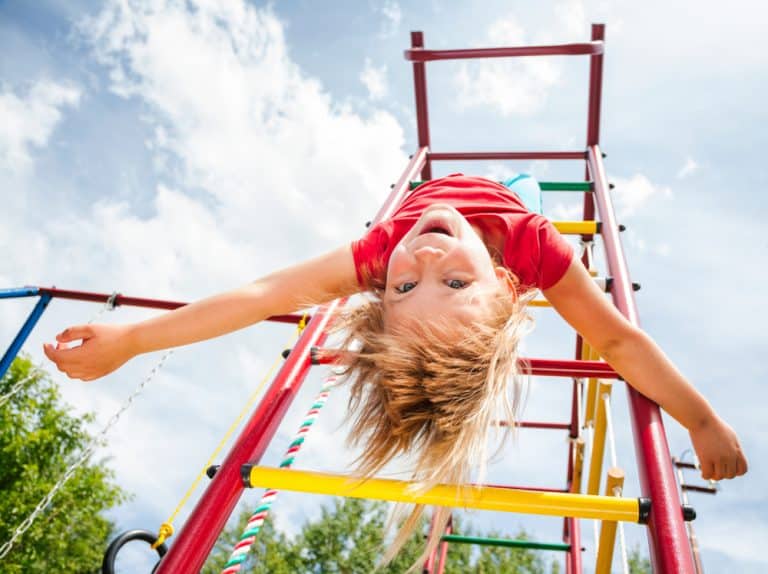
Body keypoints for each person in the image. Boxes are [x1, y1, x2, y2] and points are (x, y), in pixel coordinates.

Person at [43, 174, 747, 567]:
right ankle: (513, 217)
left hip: (446, 192)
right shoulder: (534, 249)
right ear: (506, 288)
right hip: (507, 204)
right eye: (454, 286)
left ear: (382, 291)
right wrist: (703, 420)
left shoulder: (385, 253)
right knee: (529, 206)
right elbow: (619, 343)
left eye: (405, 291)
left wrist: (134, 338)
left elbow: (264, 296)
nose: (423, 266)